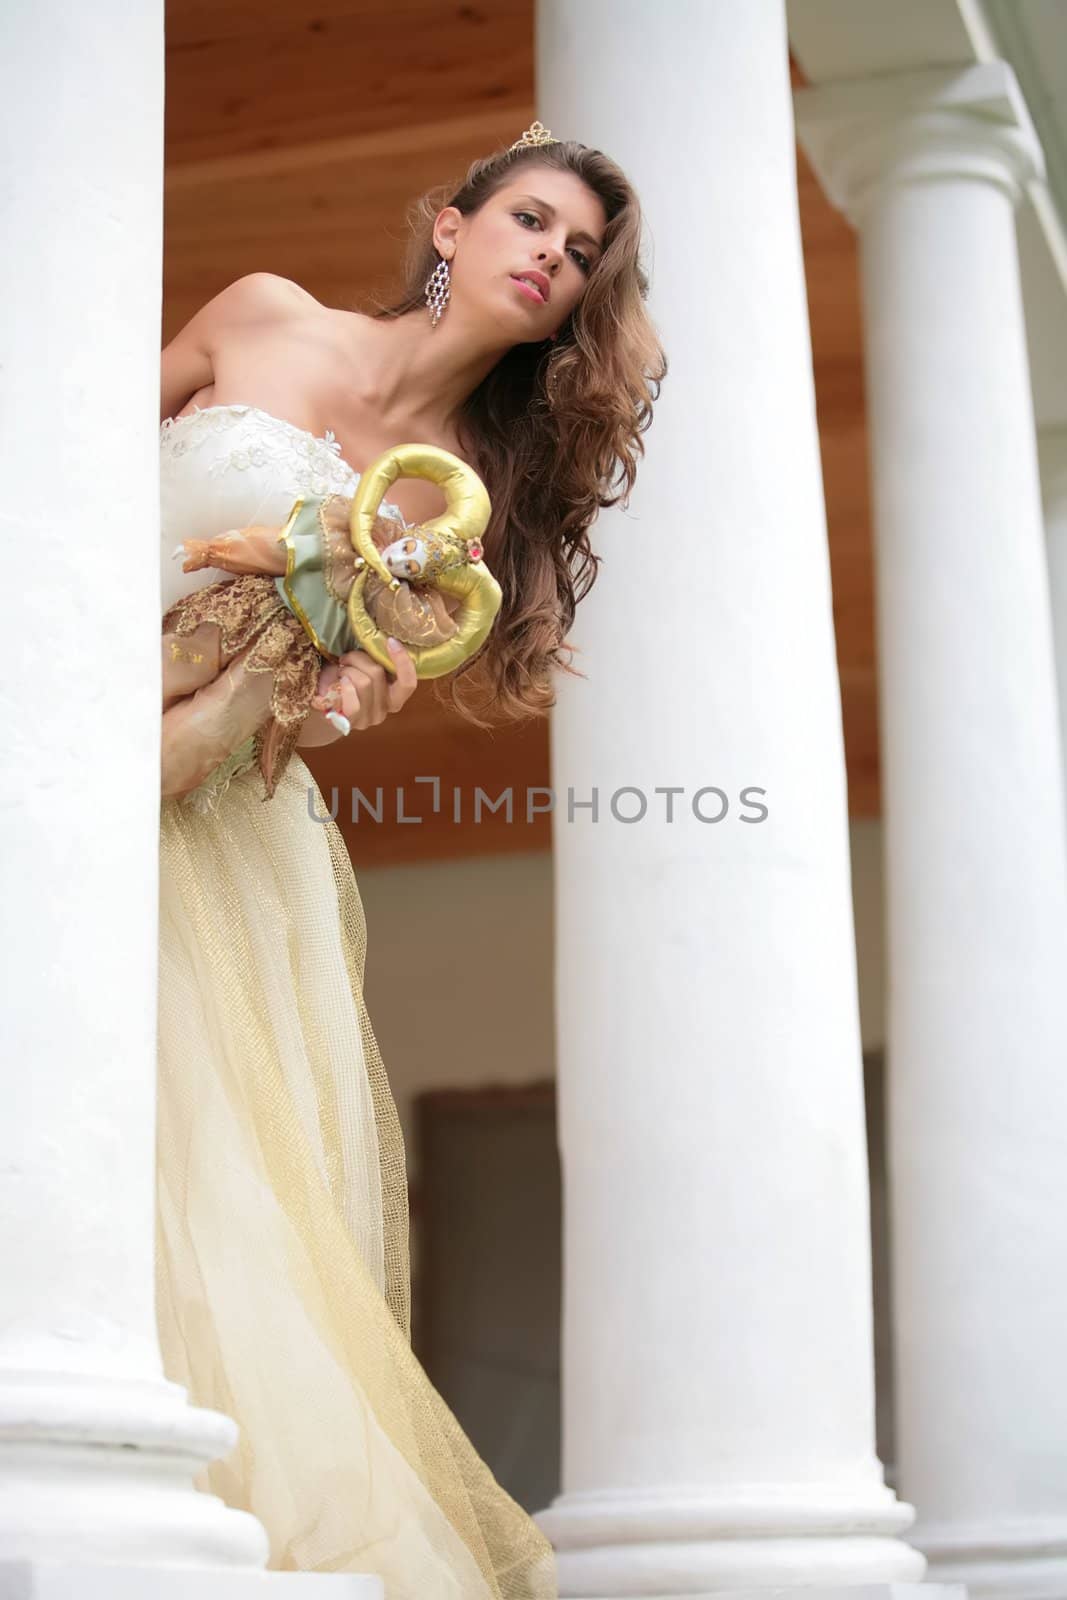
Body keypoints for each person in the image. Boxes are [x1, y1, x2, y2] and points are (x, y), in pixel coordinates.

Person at [156, 120, 666, 1596]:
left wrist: (296, 687)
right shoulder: (260, 314)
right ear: (451, 225)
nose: (549, 261)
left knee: (198, 1158)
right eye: (529, 223)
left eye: (577, 259)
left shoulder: (457, 503)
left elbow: (352, 697)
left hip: (214, 813)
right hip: (49, 700)